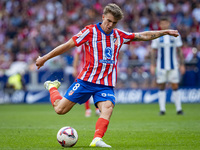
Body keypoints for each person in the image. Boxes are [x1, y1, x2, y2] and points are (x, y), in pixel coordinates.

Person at [36, 3, 180, 147]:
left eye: (114, 23)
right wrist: (44, 58)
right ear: (103, 17)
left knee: (108, 107)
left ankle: (97, 139)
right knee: (60, 110)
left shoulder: (119, 35)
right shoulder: (90, 31)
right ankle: (52, 87)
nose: (110, 25)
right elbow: (67, 45)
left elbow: (142, 36)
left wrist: (165, 31)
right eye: (108, 21)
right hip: (86, 81)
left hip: (105, 85)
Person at [150, 17, 185, 115]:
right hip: (161, 66)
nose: (164, 25)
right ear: (160, 24)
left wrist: (182, 64)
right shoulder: (157, 36)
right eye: (162, 23)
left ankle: (179, 109)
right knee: (161, 86)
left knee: (175, 85)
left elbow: (179, 50)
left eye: (166, 23)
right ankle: (162, 110)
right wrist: (153, 65)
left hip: (173, 65)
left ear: (169, 23)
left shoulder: (175, 34)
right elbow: (153, 51)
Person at [72, 45, 100, 117]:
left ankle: (97, 108)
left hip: (95, 68)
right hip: (84, 69)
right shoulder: (82, 42)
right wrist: (75, 68)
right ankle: (88, 109)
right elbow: (77, 55)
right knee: (86, 88)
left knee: (95, 87)